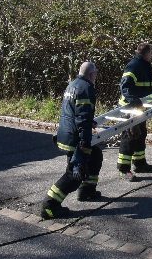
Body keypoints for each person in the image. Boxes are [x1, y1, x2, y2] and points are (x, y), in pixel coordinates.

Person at [40, 62, 104, 219]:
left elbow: (76, 112)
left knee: (95, 155)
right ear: (91, 74)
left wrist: (90, 121)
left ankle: (87, 191)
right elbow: (82, 118)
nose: (96, 76)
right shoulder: (86, 88)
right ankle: (50, 205)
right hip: (75, 138)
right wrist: (84, 143)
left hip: (65, 133)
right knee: (74, 174)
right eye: (95, 73)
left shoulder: (73, 84)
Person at [117, 43, 152, 181]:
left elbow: (148, 88)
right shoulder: (134, 65)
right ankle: (123, 169)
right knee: (129, 136)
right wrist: (133, 101)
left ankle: (139, 164)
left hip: (140, 107)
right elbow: (125, 85)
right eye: (151, 53)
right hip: (130, 108)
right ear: (147, 53)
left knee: (140, 134)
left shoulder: (145, 66)